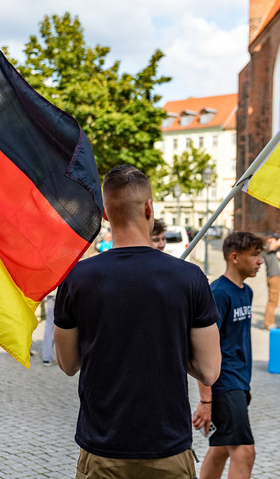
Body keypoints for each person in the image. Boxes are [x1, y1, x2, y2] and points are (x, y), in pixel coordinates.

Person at [54, 164, 222, 478]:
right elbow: (209, 371)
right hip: (167, 449)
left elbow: (67, 364)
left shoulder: (77, 278)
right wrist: (168, 340)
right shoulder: (189, 278)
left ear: (105, 213)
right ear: (149, 208)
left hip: (102, 448)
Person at [192, 231, 264, 479]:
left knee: (221, 447)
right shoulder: (218, 293)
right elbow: (202, 349)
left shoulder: (246, 292)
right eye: (254, 255)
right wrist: (206, 400)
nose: (260, 261)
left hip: (238, 384)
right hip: (223, 385)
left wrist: (245, 386)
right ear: (234, 257)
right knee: (244, 452)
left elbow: (237, 343)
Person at [262, 233, 280, 329]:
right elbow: (278, 244)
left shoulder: (273, 251)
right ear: (270, 239)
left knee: (274, 301)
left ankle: (270, 321)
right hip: (272, 276)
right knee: (272, 300)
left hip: (276, 276)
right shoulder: (266, 248)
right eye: (275, 239)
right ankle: (268, 323)